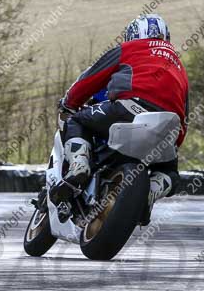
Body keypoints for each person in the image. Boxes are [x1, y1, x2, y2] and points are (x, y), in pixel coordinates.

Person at [54, 14, 189, 218]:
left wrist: (69, 102)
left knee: (77, 120)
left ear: (133, 34)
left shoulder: (130, 48)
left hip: (129, 109)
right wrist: (175, 143)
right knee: (170, 172)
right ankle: (150, 192)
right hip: (168, 126)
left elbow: (90, 78)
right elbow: (185, 115)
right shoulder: (179, 66)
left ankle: (79, 165)